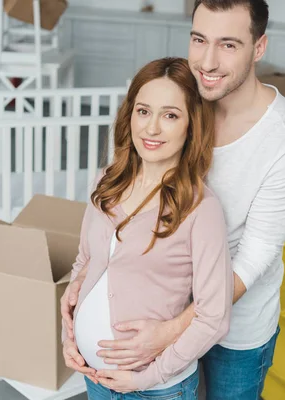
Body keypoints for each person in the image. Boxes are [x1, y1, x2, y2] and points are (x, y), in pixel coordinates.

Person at [61, 0, 285, 398]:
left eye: (229, 45)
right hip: (154, 304)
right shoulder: (177, 99)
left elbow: (252, 259)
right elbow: (122, 197)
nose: (208, 62)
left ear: (259, 47)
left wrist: (170, 331)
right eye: (199, 39)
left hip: (236, 328)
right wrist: (83, 285)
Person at [61, 56, 234, 400]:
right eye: (143, 111)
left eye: (170, 115)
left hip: (156, 391)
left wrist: (148, 378)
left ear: (191, 125)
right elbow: (85, 261)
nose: (151, 128)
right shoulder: (105, 183)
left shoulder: (202, 208)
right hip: (94, 377)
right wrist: (70, 335)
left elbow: (215, 316)